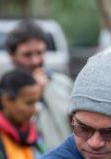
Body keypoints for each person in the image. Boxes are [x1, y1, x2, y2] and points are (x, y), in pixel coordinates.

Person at [5, 19, 71, 149]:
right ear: (12, 56)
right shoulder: (3, 91)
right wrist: (34, 94)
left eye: (39, 53)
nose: (35, 61)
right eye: (27, 55)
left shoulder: (63, 84)